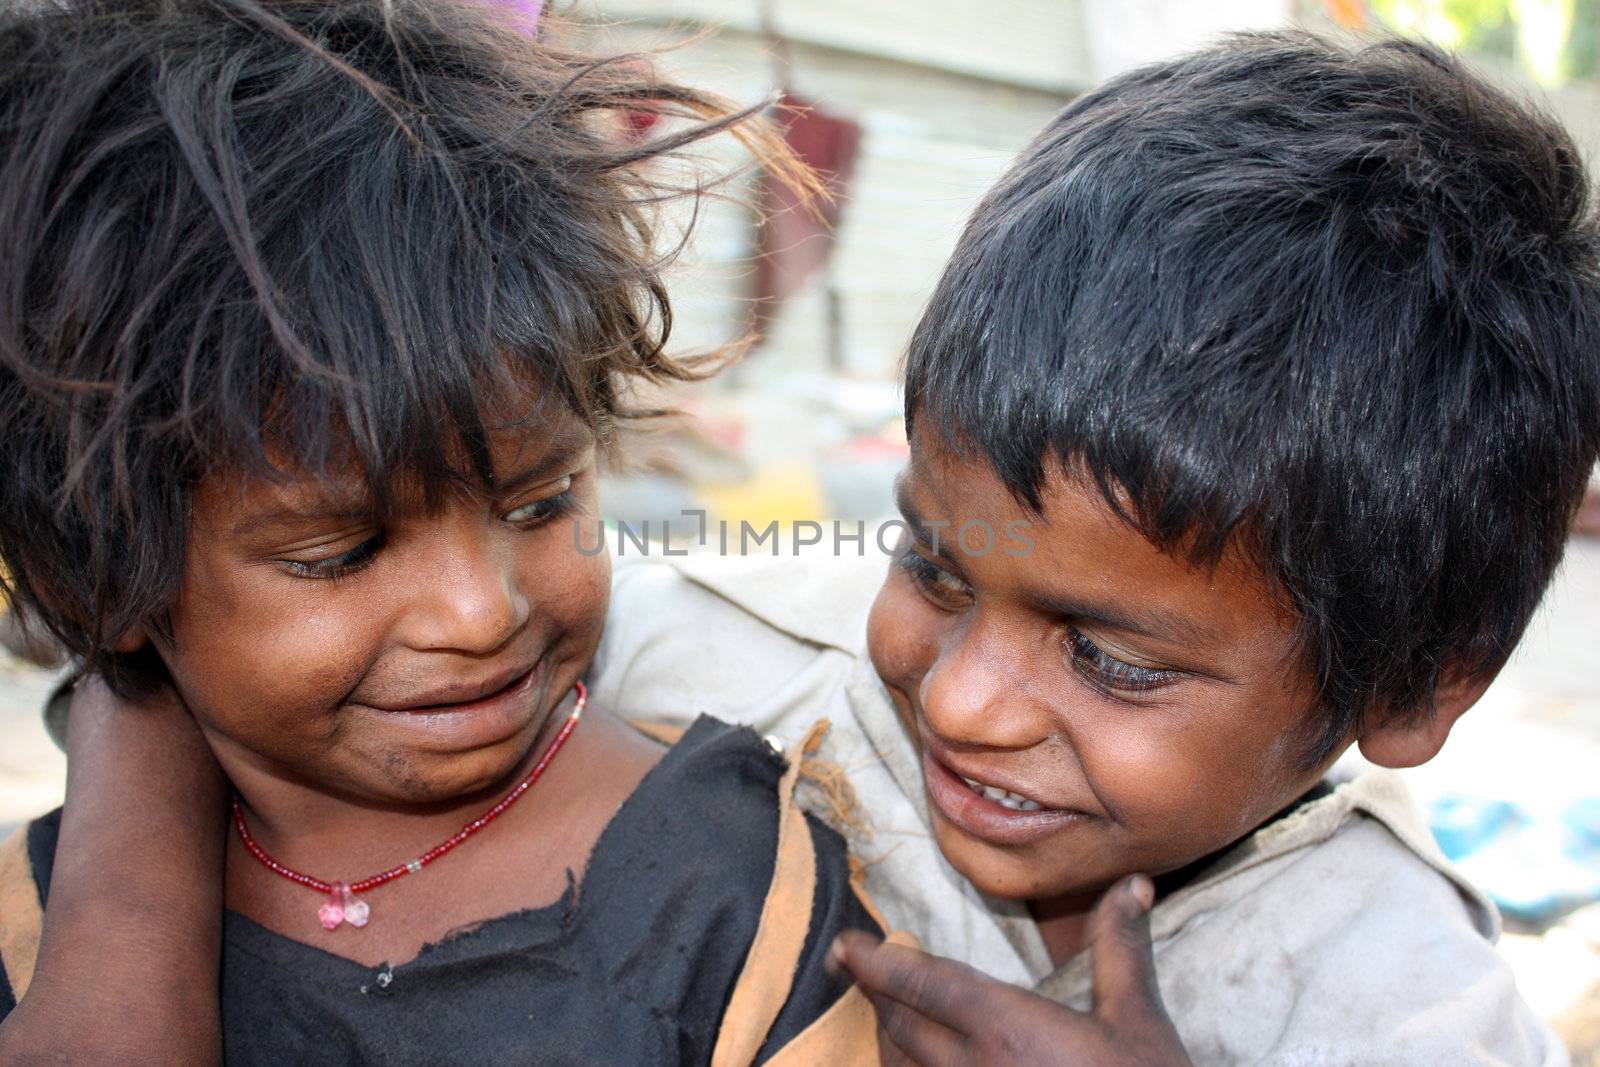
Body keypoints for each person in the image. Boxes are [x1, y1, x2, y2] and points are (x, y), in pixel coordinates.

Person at [12, 26, 1599, 1067]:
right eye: (933, 563)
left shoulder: (1404, 1008)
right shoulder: (715, 640)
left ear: (1415, 678)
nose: (962, 697)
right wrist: (130, 793)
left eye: (1110, 654)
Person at [0, 1, 890, 1062]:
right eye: (341, 551)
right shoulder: (40, 936)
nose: (482, 611)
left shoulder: (739, 897)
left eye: (541, 501)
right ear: (92, 579)